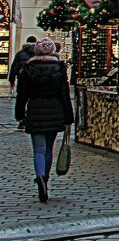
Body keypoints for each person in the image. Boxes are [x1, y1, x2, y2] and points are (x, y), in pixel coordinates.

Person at [14, 38, 72, 203]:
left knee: (38, 149)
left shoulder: (28, 69)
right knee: (48, 148)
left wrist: (19, 114)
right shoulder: (59, 69)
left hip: (35, 111)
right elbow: (64, 95)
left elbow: (22, 95)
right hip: (54, 111)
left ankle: (39, 175)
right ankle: (45, 178)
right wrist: (69, 116)